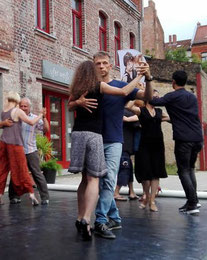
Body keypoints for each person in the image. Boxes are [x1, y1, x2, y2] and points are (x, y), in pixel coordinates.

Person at [69, 52, 153, 240]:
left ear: (110, 65)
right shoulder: (88, 86)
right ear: (93, 66)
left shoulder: (118, 85)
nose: (101, 66)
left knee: (105, 181)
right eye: (97, 63)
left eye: (105, 63)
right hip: (94, 138)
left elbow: (146, 97)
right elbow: (70, 104)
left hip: (113, 140)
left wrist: (147, 78)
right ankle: (111, 217)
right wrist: (78, 101)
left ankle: (99, 220)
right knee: (94, 180)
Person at [149, 70, 203, 215]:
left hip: (184, 140)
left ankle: (192, 204)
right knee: (190, 169)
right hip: (197, 138)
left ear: (173, 82)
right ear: (185, 81)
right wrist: (170, 119)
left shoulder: (171, 96)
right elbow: (186, 118)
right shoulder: (192, 97)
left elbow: (153, 102)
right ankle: (194, 200)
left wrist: (148, 88)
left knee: (183, 171)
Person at [0, 92, 43, 206]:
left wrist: (2, 123)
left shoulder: (4, 112)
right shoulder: (17, 111)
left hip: (3, 143)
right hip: (15, 145)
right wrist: (40, 115)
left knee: (2, 169)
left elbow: (0, 125)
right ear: (17, 100)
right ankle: (31, 194)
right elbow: (30, 122)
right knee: (21, 169)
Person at [4, 97, 51, 205]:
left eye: (25, 106)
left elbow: (46, 130)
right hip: (17, 151)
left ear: (29, 107)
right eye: (21, 106)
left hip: (31, 150)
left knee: (37, 174)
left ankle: (45, 197)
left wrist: (44, 117)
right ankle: (14, 196)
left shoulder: (35, 118)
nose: (23, 108)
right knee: (15, 174)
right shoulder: (15, 117)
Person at [129, 90, 169, 212]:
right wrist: (137, 93)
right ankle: (146, 195)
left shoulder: (159, 112)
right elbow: (128, 106)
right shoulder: (141, 110)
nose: (157, 98)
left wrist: (159, 119)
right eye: (154, 96)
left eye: (158, 96)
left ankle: (151, 200)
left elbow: (170, 116)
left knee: (156, 173)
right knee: (146, 175)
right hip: (144, 144)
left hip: (157, 145)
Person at [114, 107, 140, 202]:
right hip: (124, 145)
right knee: (124, 169)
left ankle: (131, 191)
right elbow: (140, 120)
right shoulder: (127, 112)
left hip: (124, 146)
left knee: (129, 169)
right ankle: (116, 192)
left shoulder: (119, 111)